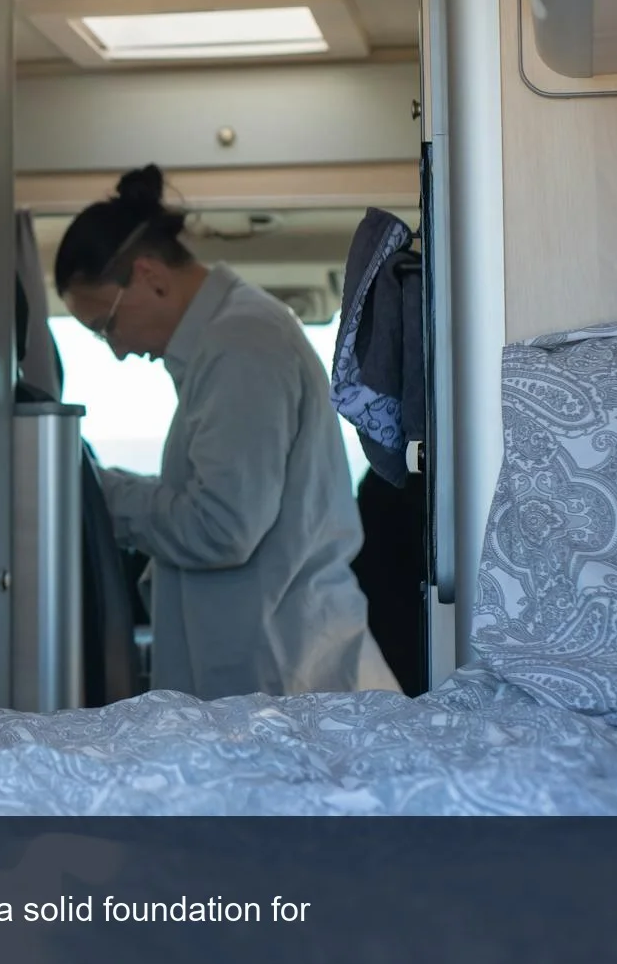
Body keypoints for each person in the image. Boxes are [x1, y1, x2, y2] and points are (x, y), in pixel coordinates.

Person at [53, 165, 396, 700]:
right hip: (267, 670)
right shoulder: (227, 342)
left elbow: (222, 526)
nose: (117, 349)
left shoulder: (242, 344)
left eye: (105, 325)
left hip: (283, 676)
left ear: (149, 276)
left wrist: (98, 493)